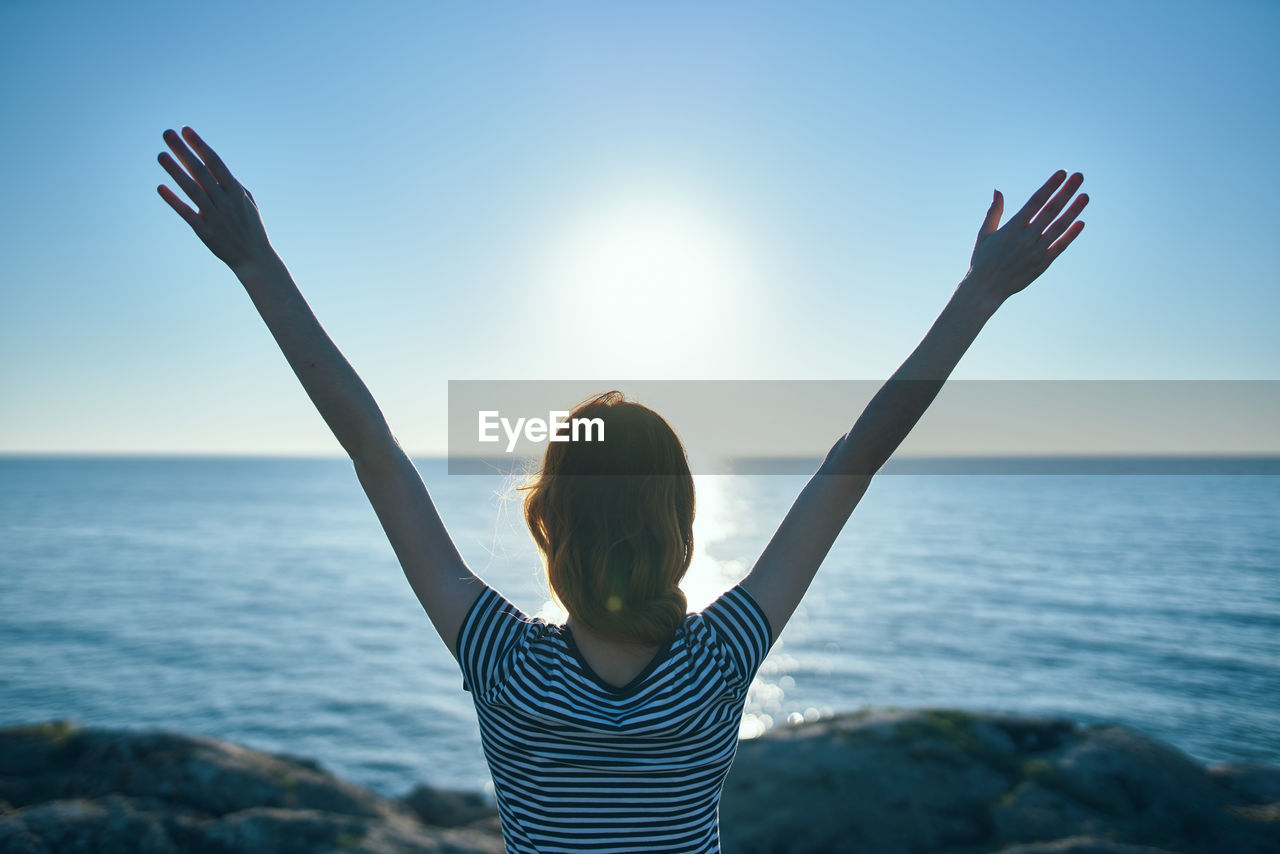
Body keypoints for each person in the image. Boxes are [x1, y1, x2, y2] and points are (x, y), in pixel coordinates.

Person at [156, 126, 1087, 853]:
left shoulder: (503, 664)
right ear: (682, 527)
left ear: (548, 525)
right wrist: (980, 295)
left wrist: (257, 265)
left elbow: (373, 447)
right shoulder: (718, 664)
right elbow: (859, 453)